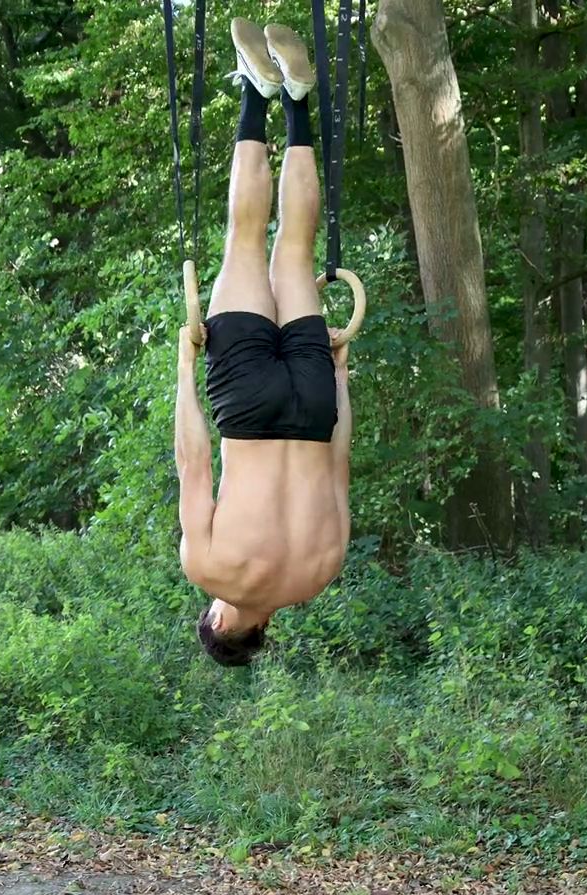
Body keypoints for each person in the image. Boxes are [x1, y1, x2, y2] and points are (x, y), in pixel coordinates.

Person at [175, 18, 353, 667]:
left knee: (295, 251)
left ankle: (298, 101)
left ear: (259, 631)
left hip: (311, 409)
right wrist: (184, 369)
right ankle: (255, 87)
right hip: (247, 410)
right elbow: (195, 464)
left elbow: (339, 461)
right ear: (222, 621)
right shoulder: (210, 571)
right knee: (245, 241)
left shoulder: (319, 572)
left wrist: (338, 376)